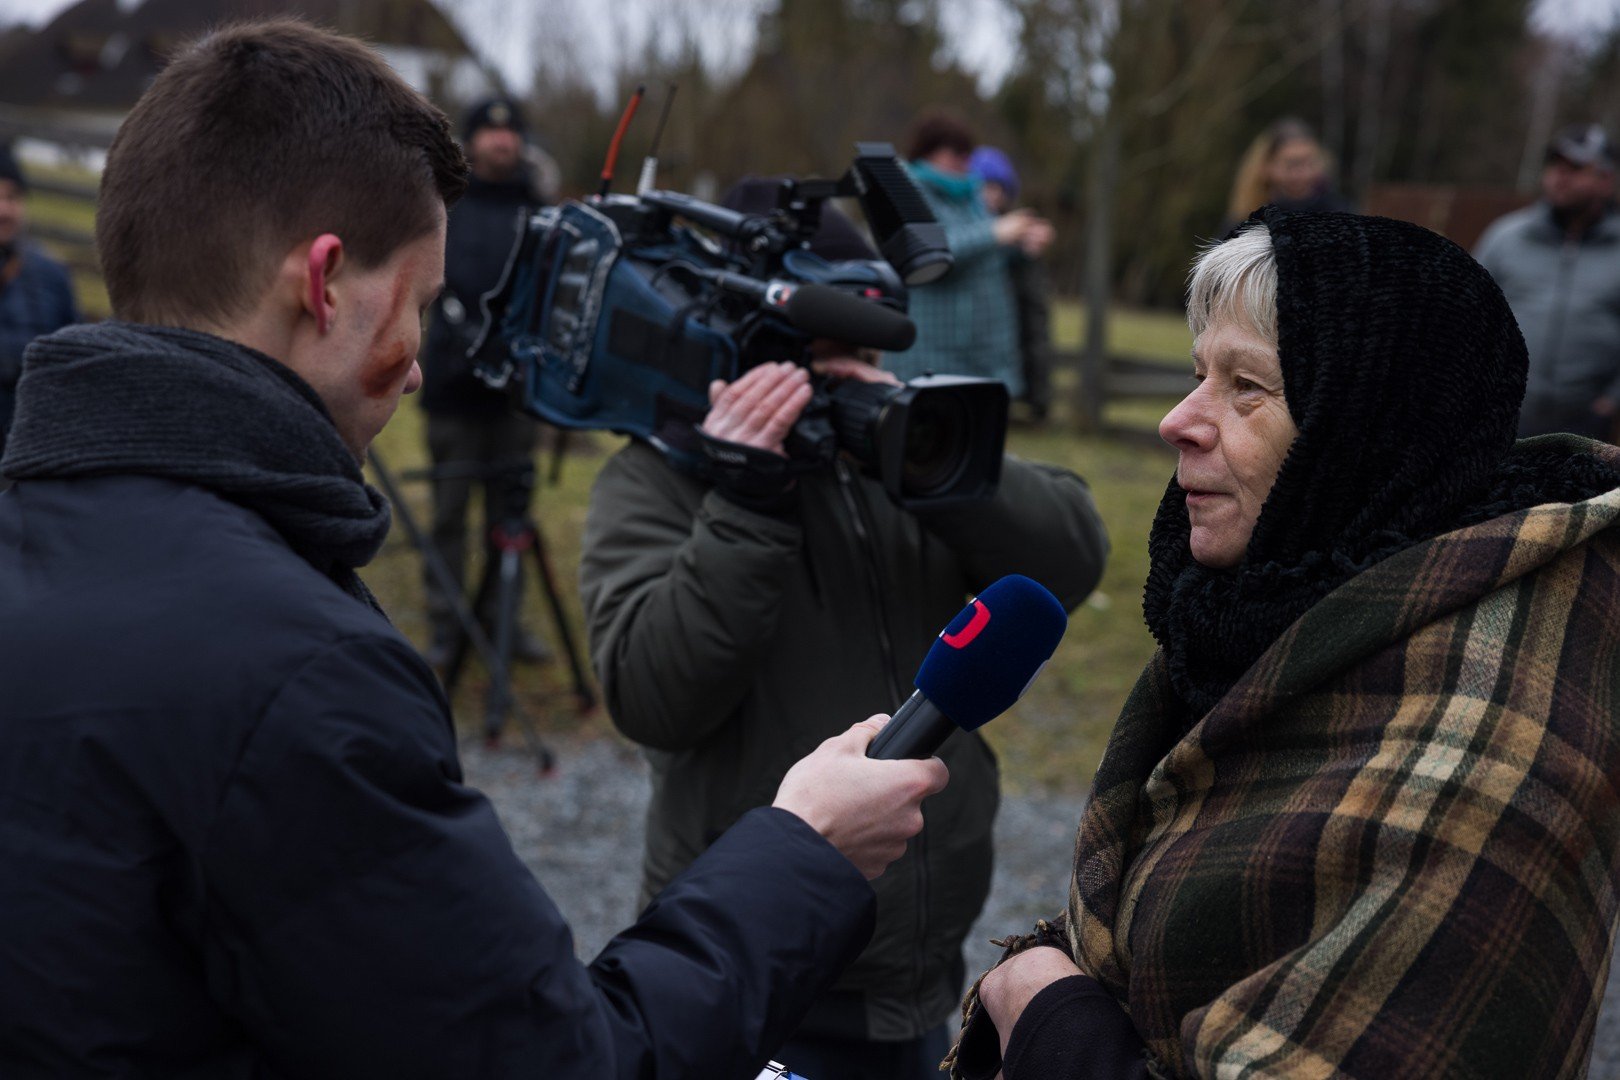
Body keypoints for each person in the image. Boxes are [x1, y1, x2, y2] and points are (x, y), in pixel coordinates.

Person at [0, 21, 953, 1079]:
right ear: (324, 283)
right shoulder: (294, 675)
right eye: (419, 304)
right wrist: (806, 850)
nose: (417, 367)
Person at [945, 208, 1620, 1079]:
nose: (1178, 421)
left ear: (1368, 426)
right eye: (1198, 375)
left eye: (1247, 388)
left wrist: (1041, 1006)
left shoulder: (1488, 765)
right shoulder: (1263, 622)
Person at [579, 297, 1110, 1075]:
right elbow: (652, 696)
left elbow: (1069, 562)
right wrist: (746, 504)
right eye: (813, 359)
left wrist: (937, 452)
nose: (839, 382)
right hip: (758, 970)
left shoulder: (908, 462)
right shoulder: (657, 477)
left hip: (919, 978)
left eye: (859, 357)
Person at [417, 96, 548, 666]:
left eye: (511, 132)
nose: (501, 141)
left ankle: (504, 622)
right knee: (449, 514)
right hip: (453, 390)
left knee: (510, 515)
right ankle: (448, 627)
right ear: (471, 141)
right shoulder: (441, 204)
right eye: (491, 133)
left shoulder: (537, 212)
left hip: (515, 392)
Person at [884, 109, 1053, 394]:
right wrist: (996, 232)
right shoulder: (905, 192)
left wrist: (1020, 245)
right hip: (929, 358)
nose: (964, 162)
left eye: (967, 153)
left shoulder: (969, 193)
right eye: (956, 153)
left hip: (980, 359)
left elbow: (983, 256)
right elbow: (929, 253)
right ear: (929, 151)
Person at [1475, 123, 1620, 441]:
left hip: (1588, 428)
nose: (1560, 177)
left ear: (1606, 179)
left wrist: (1609, 403)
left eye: (1576, 168)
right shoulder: (1506, 237)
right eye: (1555, 165)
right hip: (1501, 420)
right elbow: (1468, 315)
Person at [0, 140, 78, 461]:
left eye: (12, 198)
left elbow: (73, 360)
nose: (4, 211)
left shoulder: (50, 275)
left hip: (28, 449)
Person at [970, 145, 1055, 423]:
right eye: (986, 186)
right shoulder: (967, 232)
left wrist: (1028, 249)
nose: (993, 195)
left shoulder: (1014, 234)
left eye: (999, 188)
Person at [1224, 118, 1350, 229]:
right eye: (1292, 165)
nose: (1304, 174)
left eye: (1310, 163)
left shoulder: (1340, 213)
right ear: (1265, 166)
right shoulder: (1244, 221)